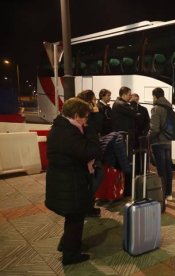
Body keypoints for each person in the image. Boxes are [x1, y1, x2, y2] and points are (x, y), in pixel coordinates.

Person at [45, 97, 101, 265]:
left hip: (66, 180)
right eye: (85, 117)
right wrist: (91, 132)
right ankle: (70, 255)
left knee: (73, 217)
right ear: (76, 115)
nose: (86, 121)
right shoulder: (68, 132)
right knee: (75, 218)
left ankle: (67, 245)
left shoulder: (63, 127)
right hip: (69, 182)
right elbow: (90, 151)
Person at [77, 90, 104, 217]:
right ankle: (87, 206)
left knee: (94, 177)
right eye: (94, 99)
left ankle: (88, 206)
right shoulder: (87, 112)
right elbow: (98, 126)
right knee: (95, 176)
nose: (95, 102)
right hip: (89, 149)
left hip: (90, 147)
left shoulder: (86, 111)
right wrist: (97, 112)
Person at [148, 87, 173, 201]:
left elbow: (154, 129)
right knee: (168, 168)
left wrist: (147, 138)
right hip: (168, 142)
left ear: (155, 96)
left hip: (158, 142)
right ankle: (169, 193)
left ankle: (162, 195)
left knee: (161, 169)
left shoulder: (156, 109)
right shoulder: (169, 107)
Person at [111, 86, 136, 196]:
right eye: (129, 94)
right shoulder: (121, 104)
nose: (131, 96)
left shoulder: (119, 103)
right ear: (124, 94)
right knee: (126, 161)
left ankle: (126, 189)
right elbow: (133, 113)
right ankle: (126, 190)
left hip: (123, 136)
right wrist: (133, 103)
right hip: (123, 137)